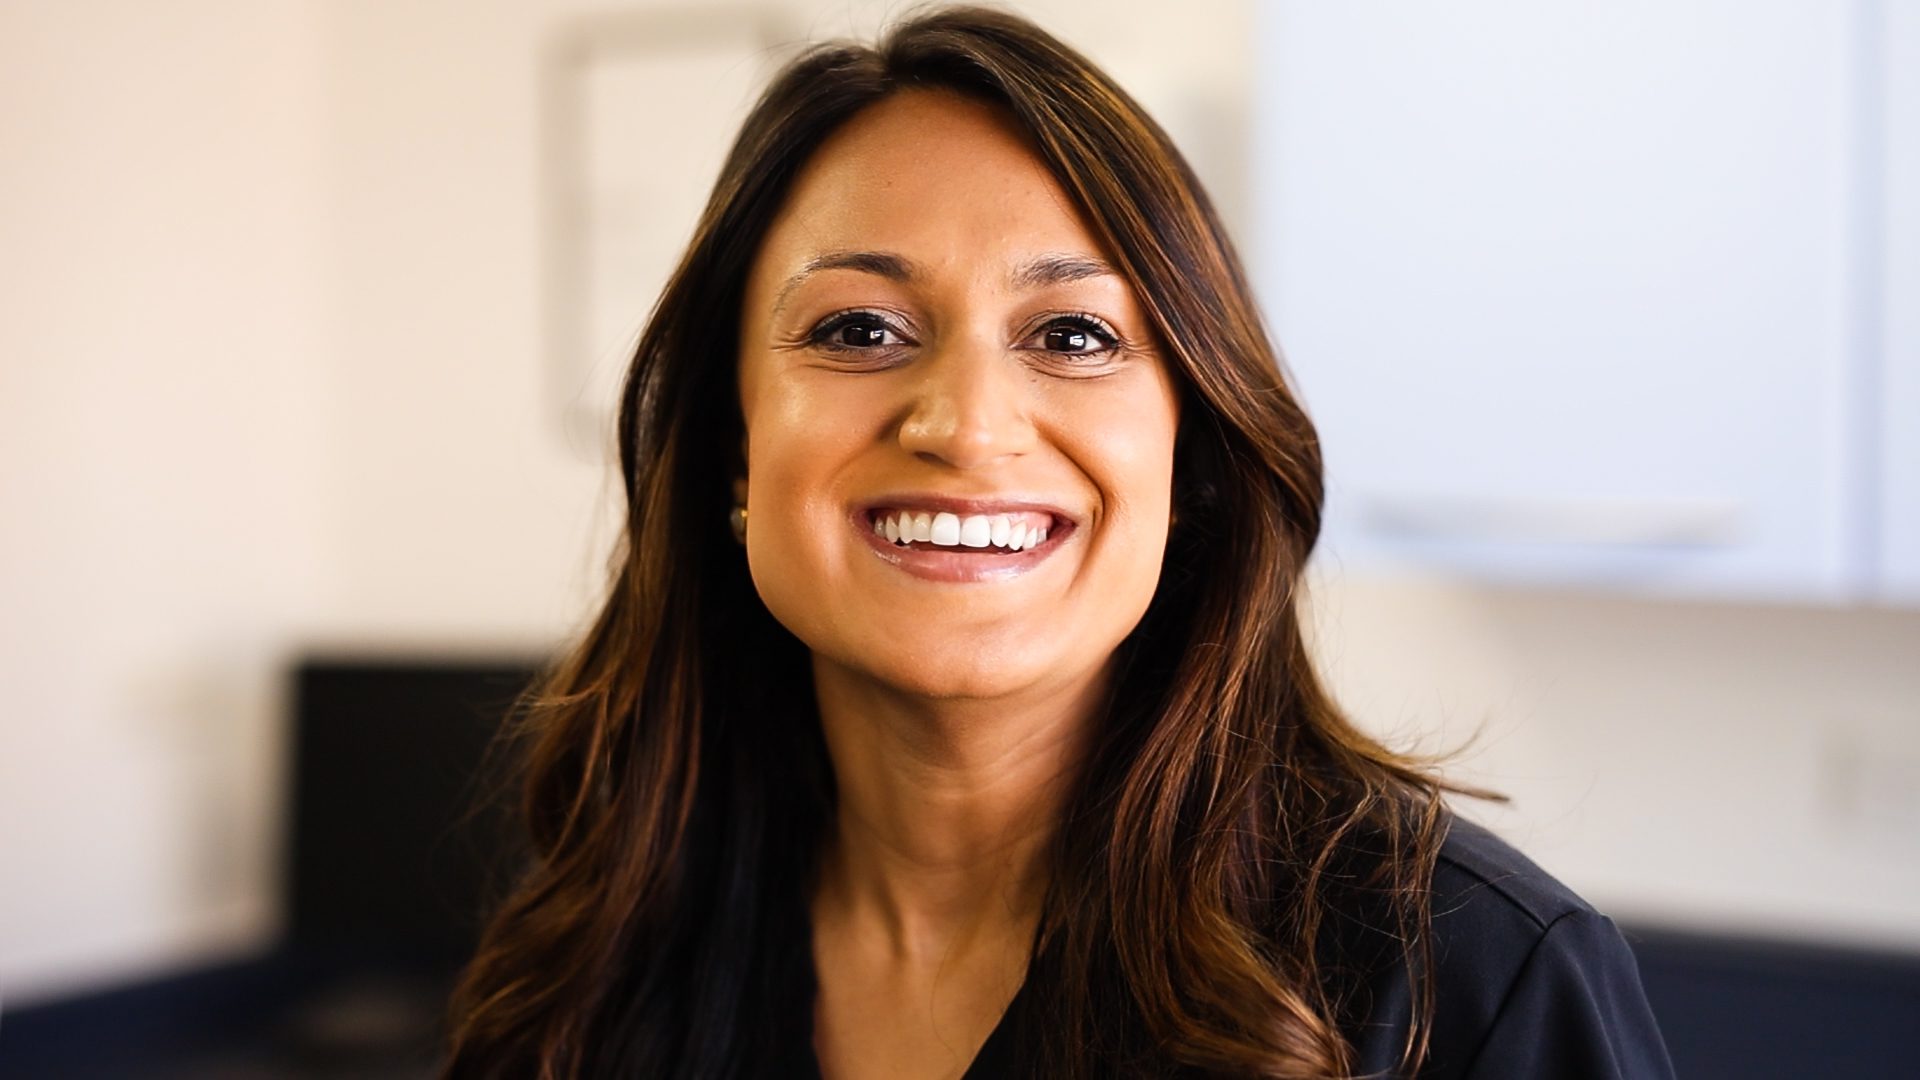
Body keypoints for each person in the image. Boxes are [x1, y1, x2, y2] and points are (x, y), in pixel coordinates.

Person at [441, 7, 1675, 1078]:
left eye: (1074, 336)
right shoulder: (595, 957)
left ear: (1189, 458)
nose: (968, 427)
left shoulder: (1473, 985)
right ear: (734, 446)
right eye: (861, 329)